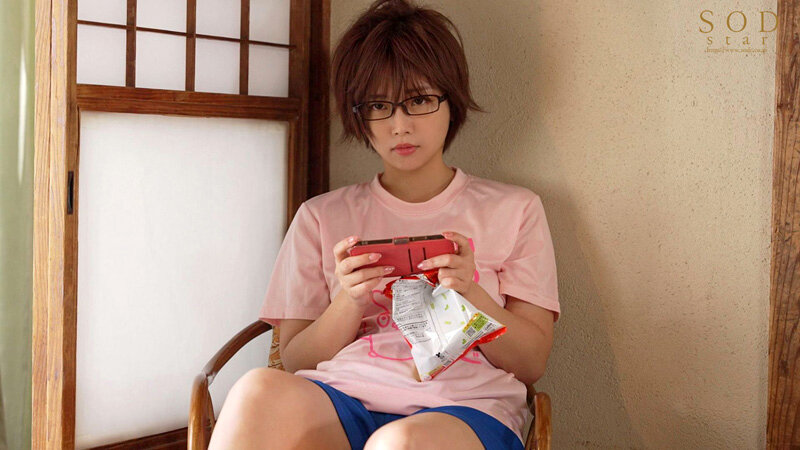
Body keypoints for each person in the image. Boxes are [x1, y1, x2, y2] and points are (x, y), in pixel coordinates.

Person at [207, 0, 560, 448]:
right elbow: (296, 361)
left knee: (399, 443)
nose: (399, 125)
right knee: (256, 390)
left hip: (465, 409)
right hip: (341, 399)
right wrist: (350, 300)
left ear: (451, 101)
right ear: (359, 114)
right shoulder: (320, 216)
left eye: (419, 100)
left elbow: (530, 364)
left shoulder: (515, 209)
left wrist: (470, 293)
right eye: (378, 105)